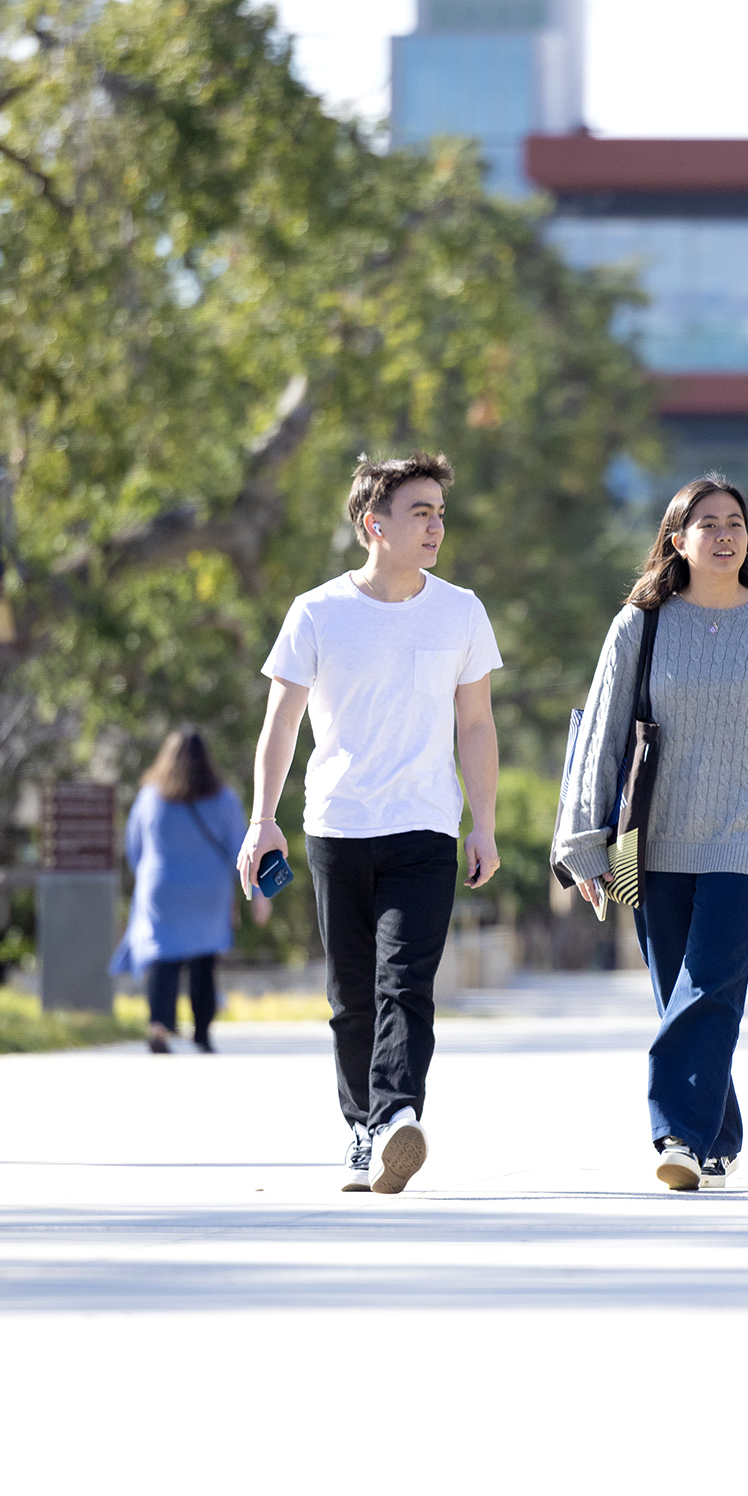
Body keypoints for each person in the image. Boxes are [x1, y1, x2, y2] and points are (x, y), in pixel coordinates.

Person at [554, 475, 748, 1192]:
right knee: (680, 991)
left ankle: (675, 1132)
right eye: (709, 523)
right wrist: (580, 839)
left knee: (710, 982)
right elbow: (602, 734)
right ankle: (718, 1136)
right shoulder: (639, 624)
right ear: (678, 540)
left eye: (736, 522)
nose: (726, 533)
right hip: (647, 840)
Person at [237, 452, 503, 1197]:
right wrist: (264, 821)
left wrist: (483, 824)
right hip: (337, 827)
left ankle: (395, 1116)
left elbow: (475, 724)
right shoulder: (317, 612)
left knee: (405, 981)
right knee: (352, 994)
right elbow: (281, 723)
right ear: (372, 525)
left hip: (424, 829)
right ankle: (363, 1132)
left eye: (440, 513)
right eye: (421, 512)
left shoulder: (461, 611)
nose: (436, 527)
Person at [115, 728, 268, 1054]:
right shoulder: (224, 798)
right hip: (209, 893)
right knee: (203, 962)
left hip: (162, 890)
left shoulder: (149, 797)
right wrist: (258, 895)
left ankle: (158, 1026)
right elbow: (241, 848)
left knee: (163, 959)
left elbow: (134, 847)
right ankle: (202, 1033)